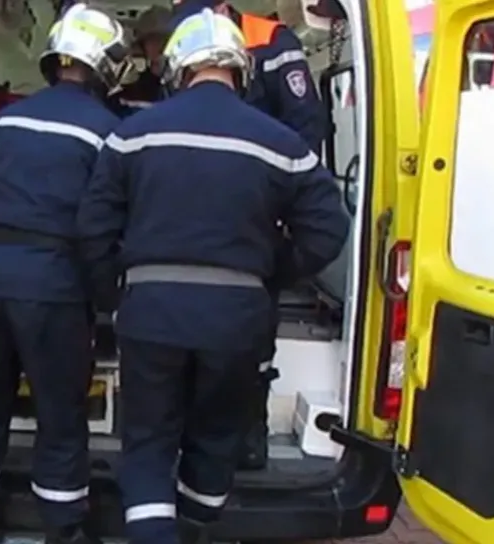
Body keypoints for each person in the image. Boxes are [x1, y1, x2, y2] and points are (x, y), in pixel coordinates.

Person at [75, 9, 349, 544]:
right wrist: (268, 271)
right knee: (216, 436)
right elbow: (328, 228)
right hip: (238, 319)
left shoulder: (131, 134)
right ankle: (196, 528)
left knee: (149, 442)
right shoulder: (282, 143)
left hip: (151, 313)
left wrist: (114, 293)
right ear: (242, 70)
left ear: (178, 68)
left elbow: (93, 228)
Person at [0, 5, 130, 543]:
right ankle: (63, 527)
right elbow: (105, 223)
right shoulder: (108, 132)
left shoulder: (6, 121)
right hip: (54, 285)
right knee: (60, 412)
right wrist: (106, 294)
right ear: (106, 66)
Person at [171, 0, 334, 470]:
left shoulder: (272, 40)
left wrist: (282, 200)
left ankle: (248, 434)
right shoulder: (185, 36)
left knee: (254, 331)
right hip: (198, 205)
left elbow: (306, 125)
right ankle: (190, 438)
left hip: (256, 202)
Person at [110, 6, 172, 117]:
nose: (162, 46)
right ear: (142, 45)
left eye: (166, 40)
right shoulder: (132, 91)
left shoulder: (187, 84)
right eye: (154, 40)